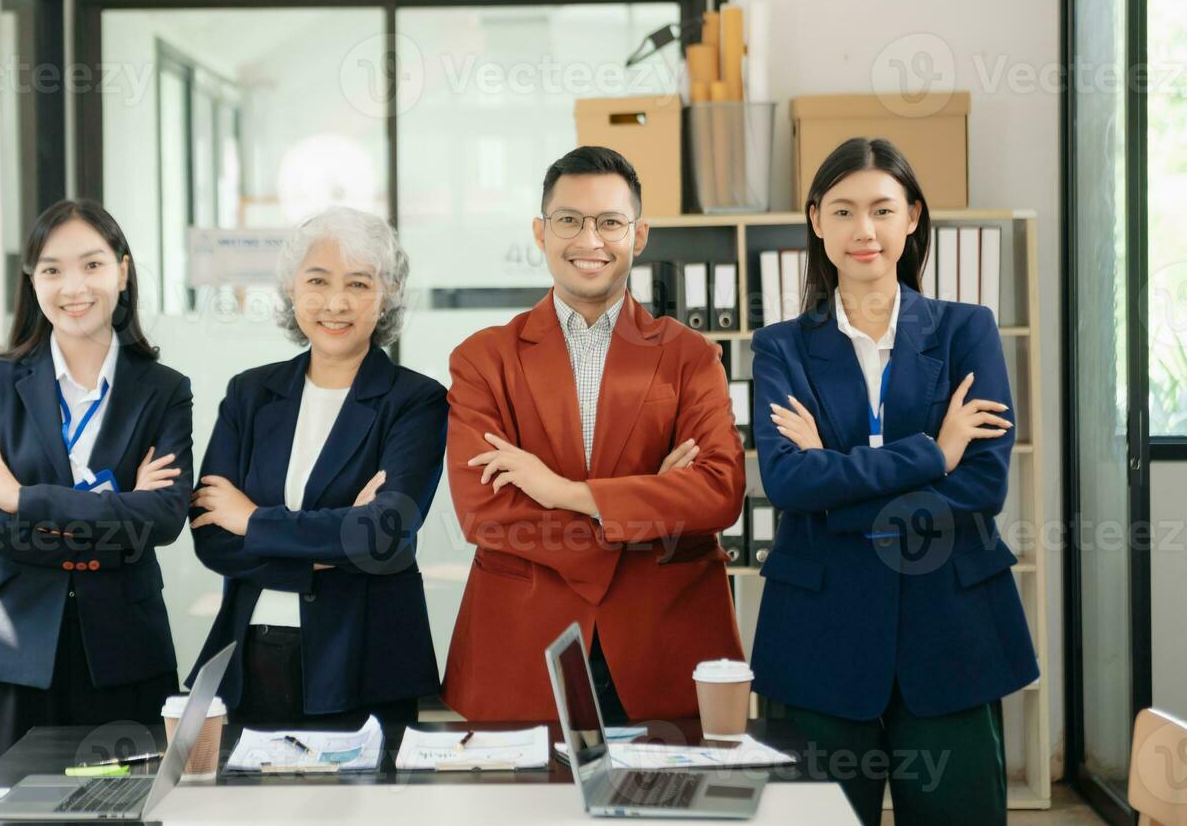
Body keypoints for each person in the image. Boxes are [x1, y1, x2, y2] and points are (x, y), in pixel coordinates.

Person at [750, 137, 1037, 826]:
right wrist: (932, 455)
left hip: (952, 631)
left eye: (881, 210)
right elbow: (788, 485)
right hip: (819, 635)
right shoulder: (781, 347)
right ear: (816, 221)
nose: (864, 231)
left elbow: (982, 488)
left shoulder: (967, 331)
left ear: (911, 217)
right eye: (843, 211)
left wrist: (838, 487)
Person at [442, 146, 747, 723]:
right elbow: (485, 510)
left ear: (640, 235)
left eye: (610, 222)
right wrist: (645, 508)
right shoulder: (484, 359)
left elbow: (719, 492)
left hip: (665, 644)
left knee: (674, 810)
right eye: (569, 221)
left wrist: (564, 492)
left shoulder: (689, 356)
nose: (590, 240)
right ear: (540, 231)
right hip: (525, 649)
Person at [0, 199, 192, 782]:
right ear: (32, 281)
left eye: (91, 265)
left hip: (125, 656)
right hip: (8, 654)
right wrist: (114, 512)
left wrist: (23, 498)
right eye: (52, 270)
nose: (73, 286)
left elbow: (160, 521)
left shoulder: (163, 390)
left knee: (123, 816)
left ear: (122, 272)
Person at [187, 206, 447, 725]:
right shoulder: (251, 393)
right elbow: (212, 536)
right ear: (290, 289)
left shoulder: (416, 401)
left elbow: (383, 535)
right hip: (252, 656)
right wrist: (329, 547)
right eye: (317, 281)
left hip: (368, 662)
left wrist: (253, 521)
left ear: (388, 292)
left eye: (358, 284)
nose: (335, 303)